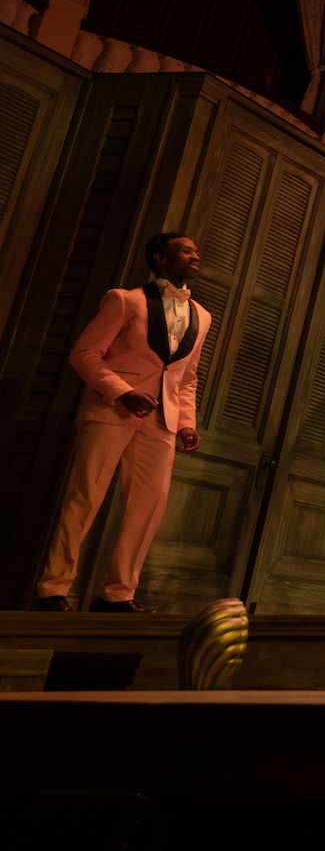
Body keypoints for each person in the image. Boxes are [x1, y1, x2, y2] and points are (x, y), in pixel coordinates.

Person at [33, 234, 210, 612]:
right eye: (186, 251)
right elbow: (84, 353)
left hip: (161, 421)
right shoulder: (125, 300)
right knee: (85, 497)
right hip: (110, 412)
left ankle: (117, 594)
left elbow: (187, 376)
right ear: (161, 259)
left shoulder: (203, 315)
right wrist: (121, 390)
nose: (196, 255)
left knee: (150, 505)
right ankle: (53, 589)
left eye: (196, 251)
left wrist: (186, 423)